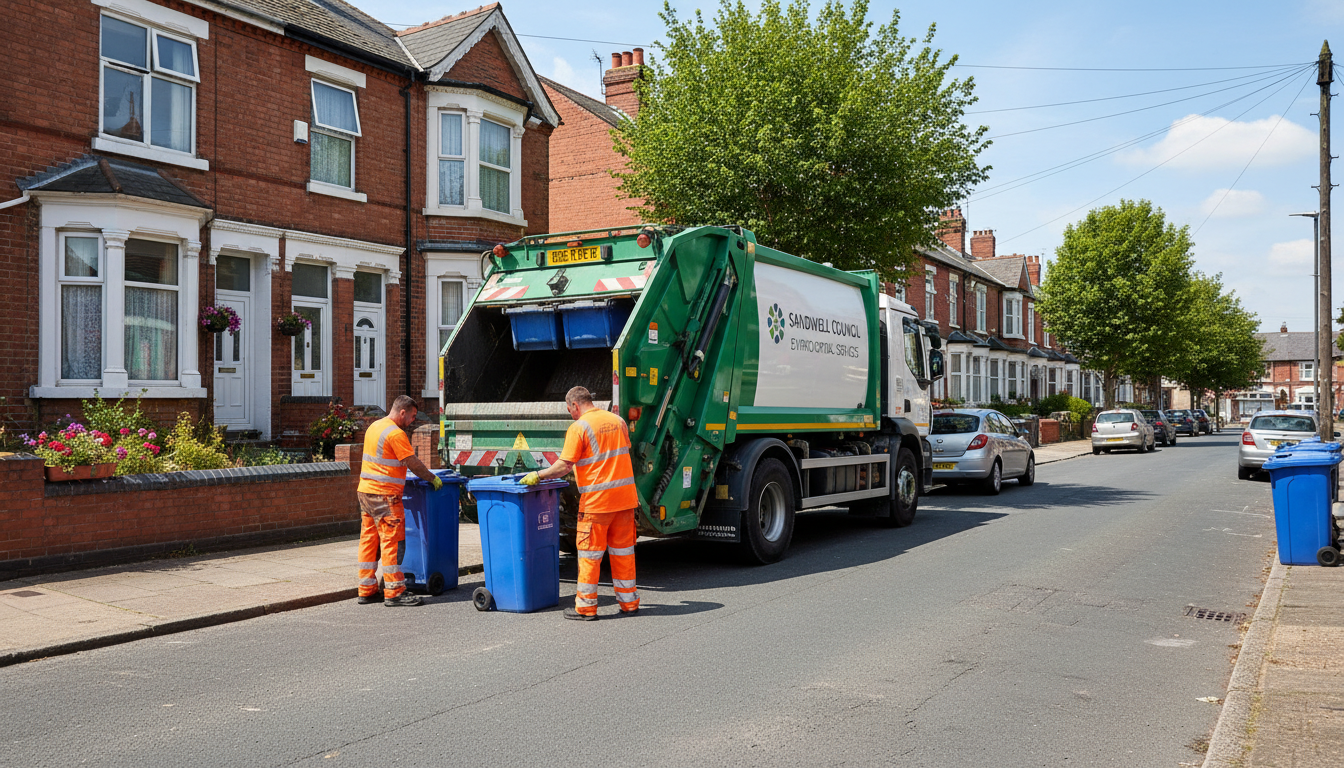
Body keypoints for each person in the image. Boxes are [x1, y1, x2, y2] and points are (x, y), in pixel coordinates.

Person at [522, 386, 639, 620]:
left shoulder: (579, 427)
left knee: (589, 555)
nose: (570, 414)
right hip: (625, 502)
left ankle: (586, 608)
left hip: (597, 504)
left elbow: (564, 465)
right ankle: (629, 604)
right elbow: (620, 452)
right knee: (624, 553)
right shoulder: (618, 421)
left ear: (575, 405)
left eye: (569, 410)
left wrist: (539, 474)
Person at [356, 395, 443, 607]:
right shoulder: (396, 433)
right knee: (391, 541)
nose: (413, 420)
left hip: (366, 492)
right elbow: (411, 461)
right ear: (402, 412)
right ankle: (394, 591)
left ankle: (366, 589)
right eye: (412, 416)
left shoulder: (375, 427)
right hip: (385, 495)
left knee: (369, 539)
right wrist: (432, 477)